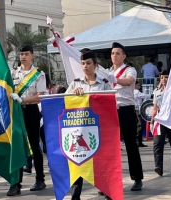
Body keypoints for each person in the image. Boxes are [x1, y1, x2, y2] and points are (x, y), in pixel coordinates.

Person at [66, 48, 112, 200]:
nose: (85, 66)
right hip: (80, 130)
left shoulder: (104, 84)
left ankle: (107, 191)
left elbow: (111, 105)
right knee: (78, 160)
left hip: (98, 130)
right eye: (83, 63)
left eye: (89, 63)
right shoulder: (75, 84)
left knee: (102, 162)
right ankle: (75, 196)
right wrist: (73, 94)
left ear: (96, 65)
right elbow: (65, 103)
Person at [9, 45, 46, 196]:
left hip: (31, 111)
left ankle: (40, 179)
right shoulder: (13, 73)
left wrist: (22, 100)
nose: (23, 56)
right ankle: (16, 183)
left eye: (26, 54)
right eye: (21, 54)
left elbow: (40, 96)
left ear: (32, 56)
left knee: (34, 145)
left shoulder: (38, 74)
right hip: (16, 112)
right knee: (16, 146)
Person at [107, 42, 144, 191]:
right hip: (110, 111)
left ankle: (137, 178)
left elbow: (128, 81)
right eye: (112, 53)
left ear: (124, 56)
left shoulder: (130, 70)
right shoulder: (108, 71)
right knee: (110, 147)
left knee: (130, 145)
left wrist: (113, 79)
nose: (114, 56)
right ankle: (109, 180)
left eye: (117, 53)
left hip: (126, 110)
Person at [150, 71, 171, 176]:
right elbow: (155, 107)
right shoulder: (157, 91)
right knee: (157, 143)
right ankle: (158, 166)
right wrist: (152, 120)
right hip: (159, 119)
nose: (164, 79)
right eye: (162, 77)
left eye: (166, 77)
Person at [134, 81, 150, 147]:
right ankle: (138, 141)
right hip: (137, 109)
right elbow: (146, 96)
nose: (139, 86)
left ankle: (139, 141)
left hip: (135, 109)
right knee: (140, 125)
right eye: (138, 85)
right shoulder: (136, 92)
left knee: (138, 125)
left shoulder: (133, 92)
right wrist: (151, 94)